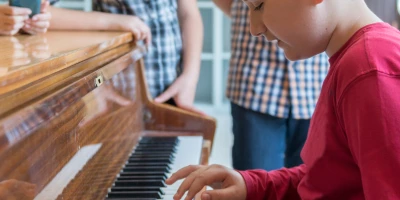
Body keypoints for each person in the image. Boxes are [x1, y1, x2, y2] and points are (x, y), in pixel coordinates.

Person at [166, 0, 400, 199]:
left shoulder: (369, 71)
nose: (254, 29)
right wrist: (253, 186)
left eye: (259, 6)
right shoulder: (354, 63)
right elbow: (326, 181)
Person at [212, 0, 329, 171]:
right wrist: (259, 10)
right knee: (256, 189)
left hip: (317, 84)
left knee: (313, 188)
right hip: (255, 84)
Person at [48, 0, 204, 113]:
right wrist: (110, 21)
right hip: (119, 98)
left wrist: (190, 76)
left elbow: (189, 14)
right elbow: (39, 12)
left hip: (174, 90)